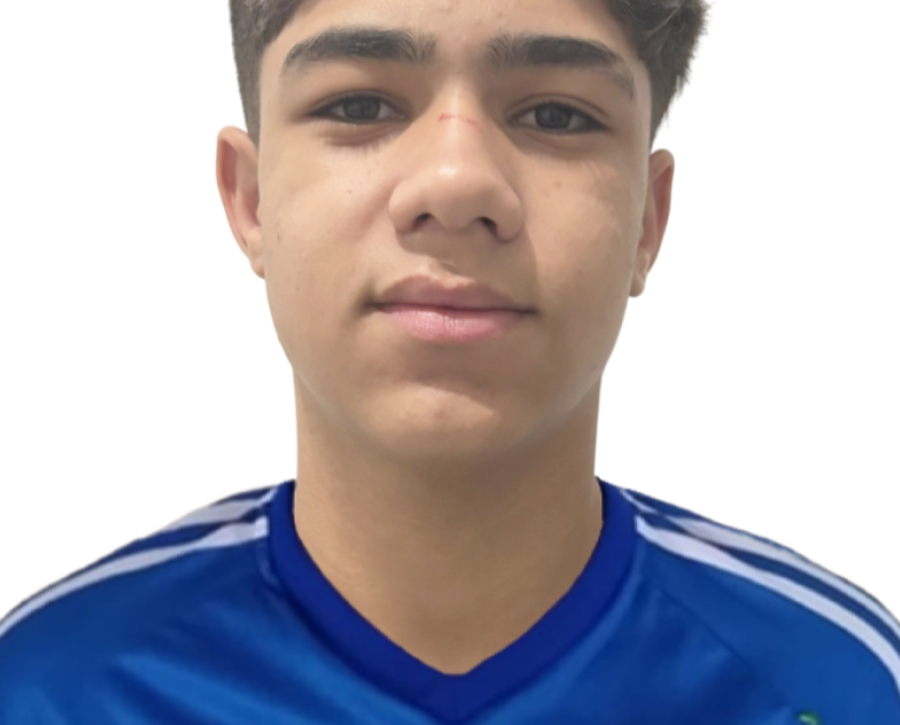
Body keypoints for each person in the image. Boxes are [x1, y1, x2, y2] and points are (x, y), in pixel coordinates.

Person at [1, 0, 898, 721]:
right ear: (251, 198)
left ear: (647, 221)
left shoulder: (842, 687)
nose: (457, 184)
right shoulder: (47, 692)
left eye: (556, 114)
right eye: (360, 107)